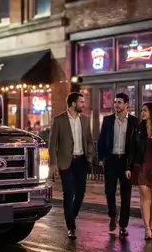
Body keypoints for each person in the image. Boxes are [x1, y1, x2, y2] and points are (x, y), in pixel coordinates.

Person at [49, 92, 94, 240]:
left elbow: (89, 140)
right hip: (65, 162)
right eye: (81, 102)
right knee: (68, 193)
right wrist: (53, 163)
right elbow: (53, 143)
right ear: (73, 104)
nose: (84, 105)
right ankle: (71, 227)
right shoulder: (59, 120)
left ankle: (70, 216)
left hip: (81, 161)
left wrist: (90, 157)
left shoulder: (85, 120)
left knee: (80, 193)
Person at [96, 93, 138, 237]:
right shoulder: (108, 120)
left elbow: (136, 144)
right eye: (115, 102)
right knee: (109, 191)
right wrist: (101, 158)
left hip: (126, 162)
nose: (116, 105)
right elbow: (101, 140)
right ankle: (113, 215)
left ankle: (123, 225)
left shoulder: (134, 121)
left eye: (119, 102)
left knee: (126, 194)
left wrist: (133, 163)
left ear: (126, 104)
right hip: (111, 160)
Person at [125, 102, 152, 241]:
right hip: (140, 165)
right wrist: (128, 167)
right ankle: (147, 228)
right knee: (145, 196)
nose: (142, 113)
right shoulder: (137, 128)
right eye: (141, 110)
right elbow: (131, 149)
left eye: (145, 110)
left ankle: (151, 220)